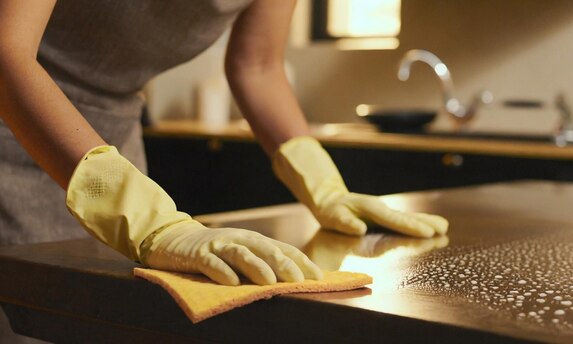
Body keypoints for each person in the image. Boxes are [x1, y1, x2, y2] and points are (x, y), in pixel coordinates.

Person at [0, 0, 448, 342]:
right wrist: (142, 217)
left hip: (111, 139)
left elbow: (258, 66)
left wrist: (324, 186)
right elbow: (6, 50)